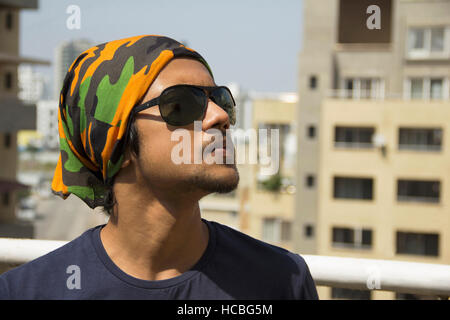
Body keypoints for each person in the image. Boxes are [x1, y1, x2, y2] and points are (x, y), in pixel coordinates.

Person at [0, 35, 318, 299]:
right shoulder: (30, 292)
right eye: (182, 105)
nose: (219, 117)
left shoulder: (281, 280)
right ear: (117, 143)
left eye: (220, 100)